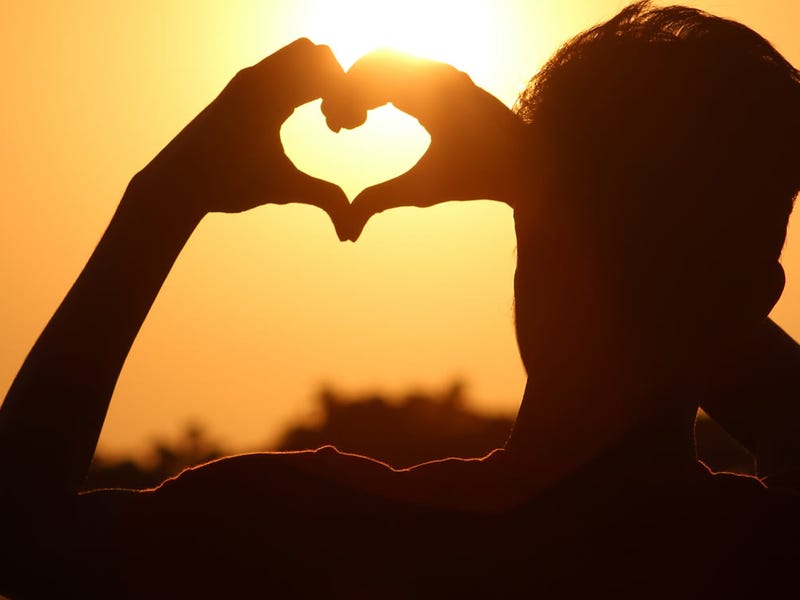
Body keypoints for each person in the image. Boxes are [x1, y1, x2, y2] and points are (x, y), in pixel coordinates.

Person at [1, 2, 798, 597]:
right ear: (759, 294)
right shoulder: (759, 551)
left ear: (529, 237)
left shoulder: (294, 531)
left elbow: (17, 534)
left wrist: (161, 202)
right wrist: (553, 188)